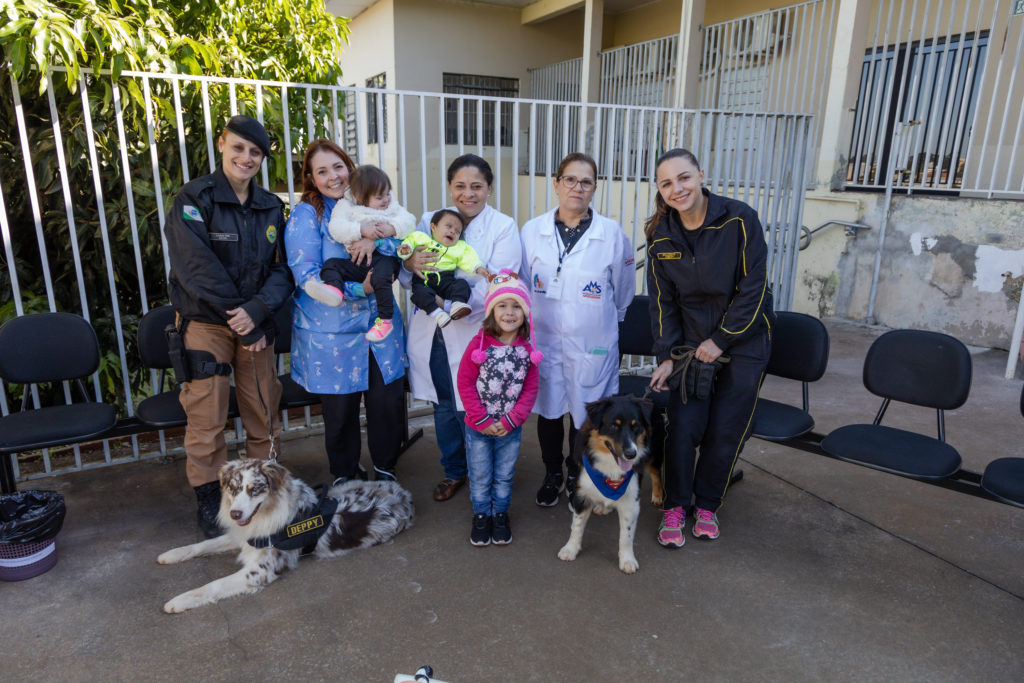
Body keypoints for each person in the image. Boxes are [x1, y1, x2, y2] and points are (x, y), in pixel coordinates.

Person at [163, 114, 291, 538]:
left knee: (263, 410)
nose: (246, 157)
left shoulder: (271, 206)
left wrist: (256, 310)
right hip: (207, 324)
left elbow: (282, 271)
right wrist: (242, 315)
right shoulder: (193, 199)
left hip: (254, 320)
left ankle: (264, 493)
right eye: (239, 147)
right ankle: (209, 499)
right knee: (207, 414)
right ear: (222, 144)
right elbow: (197, 269)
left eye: (256, 152)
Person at [645, 148, 774, 547]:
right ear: (661, 190)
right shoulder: (661, 237)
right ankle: (675, 505)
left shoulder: (739, 218)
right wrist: (668, 356)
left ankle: (706, 505)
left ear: (701, 174)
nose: (677, 188)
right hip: (690, 346)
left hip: (745, 339)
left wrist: (720, 341)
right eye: (667, 183)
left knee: (725, 429)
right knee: (683, 426)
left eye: (684, 177)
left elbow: (754, 289)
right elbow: (663, 304)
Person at [284, 139, 408, 487]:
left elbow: (404, 243)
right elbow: (305, 273)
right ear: (311, 178)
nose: (333, 176)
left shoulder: (375, 198)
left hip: (379, 322)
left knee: (386, 404)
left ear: (349, 166)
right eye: (322, 171)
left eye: (338, 166)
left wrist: (378, 240)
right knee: (340, 413)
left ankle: (386, 470)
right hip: (331, 331)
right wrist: (358, 289)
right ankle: (345, 476)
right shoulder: (307, 214)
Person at [401, 154, 522, 503]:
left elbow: (502, 280)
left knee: (478, 403)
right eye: (460, 186)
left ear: (489, 188)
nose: (468, 194)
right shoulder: (430, 220)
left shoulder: (502, 225)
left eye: (477, 187)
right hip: (434, 327)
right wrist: (410, 263)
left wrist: (460, 306)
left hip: (478, 327)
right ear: (450, 187)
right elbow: (411, 270)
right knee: (443, 403)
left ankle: (484, 472)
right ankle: (454, 470)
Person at [520, 152, 635, 506]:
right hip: (545, 341)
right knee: (549, 409)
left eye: (586, 181)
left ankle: (576, 475)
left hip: (592, 345)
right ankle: (552, 471)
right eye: (570, 179)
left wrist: (601, 325)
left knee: (585, 416)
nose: (577, 187)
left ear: (594, 188)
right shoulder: (532, 231)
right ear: (556, 184)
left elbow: (624, 290)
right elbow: (523, 285)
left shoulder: (611, 234)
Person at [456, 270, 542, 546]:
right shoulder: (478, 346)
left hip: (510, 428)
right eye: (502, 306)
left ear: (525, 313)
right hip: (477, 427)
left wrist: (512, 420)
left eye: (516, 306)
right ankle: (482, 516)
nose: (509, 312)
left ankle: (500, 514)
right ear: (492, 312)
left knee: (504, 475)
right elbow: (465, 382)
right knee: (480, 474)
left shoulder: (527, 351)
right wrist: (480, 419)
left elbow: (530, 390)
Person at [303, 165, 416, 342]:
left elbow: (409, 221)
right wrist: (360, 229)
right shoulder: (346, 207)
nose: (386, 199)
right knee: (332, 265)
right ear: (360, 197)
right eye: (380, 197)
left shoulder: (391, 208)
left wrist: (392, 228)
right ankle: (334, 290)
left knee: (380, 278)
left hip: (385, 259)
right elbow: (336, 228)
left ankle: (385, 320)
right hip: (360, 262)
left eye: (388, 193)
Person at [398, 209, 491, 327]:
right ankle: (437, 314)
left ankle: (457, 304)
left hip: (446, 279)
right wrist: (405, 250)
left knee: (461, 284)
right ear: (433, 227)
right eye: (448, 227)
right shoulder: (421, 238)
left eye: (457, 231)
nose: (452, 231)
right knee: (419, 294)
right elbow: (409, 243)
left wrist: (477, 268)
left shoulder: (459, 247)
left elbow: (468, 258)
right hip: (424, 279)